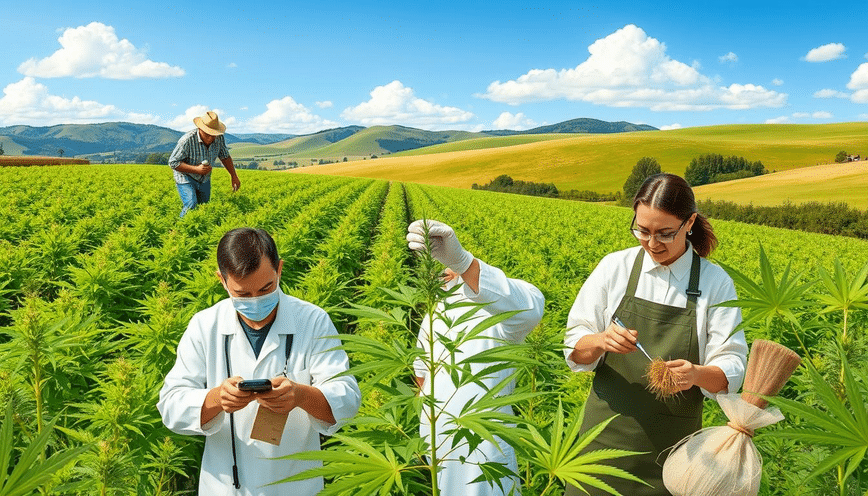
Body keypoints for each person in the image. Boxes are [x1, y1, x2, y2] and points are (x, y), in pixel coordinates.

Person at [563, 173, 748, 496]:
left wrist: (696, 374)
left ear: (689, 222)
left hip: (676, 457)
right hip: (601, 446)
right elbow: (575, 349)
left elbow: (731, 370)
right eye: (642, 230)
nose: (651, 243)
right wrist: (600, 340)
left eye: (664, 234)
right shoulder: (614, 268)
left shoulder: (715, 283)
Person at [157, 227, 361, 495]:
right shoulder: (205, 325)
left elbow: (346, 399)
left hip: (295, 485)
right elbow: (171, 405)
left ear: (279, 269)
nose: (256, 301)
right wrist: (217, 398)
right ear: (222, 280)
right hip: (224, 486)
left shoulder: (312, 320)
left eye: (266, 288)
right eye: (242, 294)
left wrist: (300, 395)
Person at [407, 219, 545, 496]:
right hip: (438, 442)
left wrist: (464, 263)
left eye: (451, 261)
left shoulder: (502, 306)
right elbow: (421, 375)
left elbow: (529, 310)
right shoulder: (434, 313)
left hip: (483, 448)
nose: (445, 270)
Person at [168, 110, 241, 217]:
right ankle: (180, 229)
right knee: (191, 205)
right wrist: (196, 169)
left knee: (204, 208)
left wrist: (234, 176)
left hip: (205, 179)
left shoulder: (219, 138)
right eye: (208, 134)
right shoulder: (186, 140)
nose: (211, 138)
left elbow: (225, 156)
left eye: (214, 134)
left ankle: (199, 231)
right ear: (200, 129)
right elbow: (173, 163)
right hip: (185, 177)